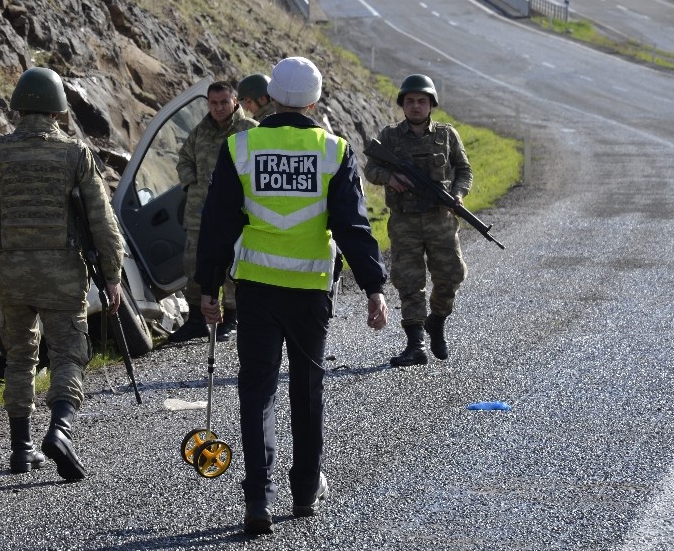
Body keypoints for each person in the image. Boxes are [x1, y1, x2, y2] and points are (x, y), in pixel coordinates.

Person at [195, 57, 389, 535]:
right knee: (306, 389)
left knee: (257, 390)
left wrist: (208, 285)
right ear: (315, 102)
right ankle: (304, 491)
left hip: (257, 289)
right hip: (309, 290)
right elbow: (352, 224)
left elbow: (217, 222)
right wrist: (374, 286)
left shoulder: (241, 146)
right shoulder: (332, 150)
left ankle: (257, 498)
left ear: (271, 98)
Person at [0, 66, 123, 482]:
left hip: (11, 276)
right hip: (62, 275)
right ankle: (59, 431)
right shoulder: (76, 154)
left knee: (19, 357)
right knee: (68, 352)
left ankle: (21, 449)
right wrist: (112, 274)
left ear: (19, 108)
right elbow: (102, 219)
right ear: (58, 110)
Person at [363, 74, 473, 367]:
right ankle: (416, 345)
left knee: (452, 275)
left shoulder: (447, 135)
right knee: (409, 281)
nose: (415, 106)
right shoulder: (389, 136)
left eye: (421, 101)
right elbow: (371, 169)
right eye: (410, 101)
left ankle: (436, 320)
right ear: (402, 104)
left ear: (431, 104)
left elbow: (464, 170)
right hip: (405, 222)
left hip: (441, 220)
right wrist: (389, 177)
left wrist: (458, 194)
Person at [168, 81, 257, 343]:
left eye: (223, 102)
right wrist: (192, 183)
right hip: (200, 213)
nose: (218, 108)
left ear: (235, 102)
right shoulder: (200, 131)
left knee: (232, 265)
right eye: (213, 103)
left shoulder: (250, 130)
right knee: (194, 264)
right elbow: (184, 159)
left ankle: (232, 318)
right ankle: (197, 320)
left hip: (236, 212)